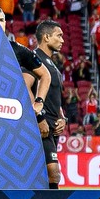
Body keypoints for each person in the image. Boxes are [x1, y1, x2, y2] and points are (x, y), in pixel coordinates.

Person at [0, 6, 51, 121]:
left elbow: (45, 75)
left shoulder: (17, 50)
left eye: (1, 20)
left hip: (9, 114)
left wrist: (39, 102)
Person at [34, 20, 67, 190]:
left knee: (45, 175)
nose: (62, 40)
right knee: (53, 172)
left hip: (53, 127)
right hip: (41, 126)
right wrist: (39, 117)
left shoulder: (52, 64)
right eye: (58, 35)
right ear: (46, 37)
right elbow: (26, 89)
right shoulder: (34, 59)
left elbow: (55, 99)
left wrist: (63, 118)